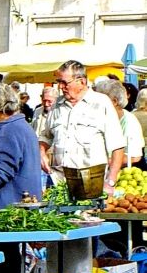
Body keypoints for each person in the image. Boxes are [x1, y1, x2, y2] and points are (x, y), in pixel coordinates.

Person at [39, 60, 125, 189]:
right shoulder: (57, 105)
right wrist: (41, 152)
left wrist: (110, 181)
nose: (61, 87)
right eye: (59, 82)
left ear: (82, 81)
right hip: (59, 182)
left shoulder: (101, 103)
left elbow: (117, 146)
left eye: (64, 83)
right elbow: (45, 136)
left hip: (91, 184)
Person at [94, 79, 144, 166]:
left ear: (114, 101)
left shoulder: (130, 122)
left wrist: (99, 163)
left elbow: (134, 156)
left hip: (122, 173)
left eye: (99, 99)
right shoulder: (99, 117)